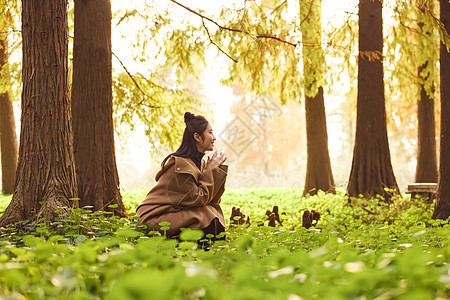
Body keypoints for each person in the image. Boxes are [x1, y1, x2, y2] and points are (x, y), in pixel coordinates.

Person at [136, 112, 228, 241]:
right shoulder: (180, 165)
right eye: (210, 133)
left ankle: (207, 251)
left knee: (211, 211)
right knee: (206, 215)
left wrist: (212, 169)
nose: (214, 137)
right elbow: (199, 198)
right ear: (197, 137)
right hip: (153, 218)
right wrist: (211, 168)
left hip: (173, 214)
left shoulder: (198, 163)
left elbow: (212, 200)